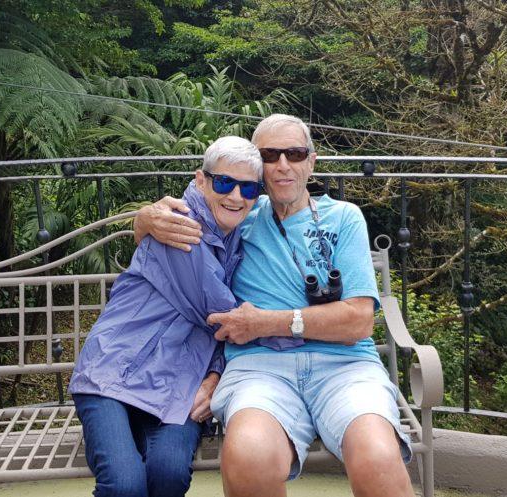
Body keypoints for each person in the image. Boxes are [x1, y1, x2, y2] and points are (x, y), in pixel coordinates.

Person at [135, 114, 414, 497]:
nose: (283, 164)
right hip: (260, 369)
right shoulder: (236, 218)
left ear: (311, 162)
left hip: (345, 367)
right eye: (270, 155)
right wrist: (142, 219)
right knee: (248, 456)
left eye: (295, 153)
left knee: (378, 457)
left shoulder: (344, 218)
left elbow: (358, 322)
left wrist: (266, 323)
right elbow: (176, 240)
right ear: (257, 166)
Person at [69, 136, 264, 497]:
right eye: (224, 182)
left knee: (169, 473)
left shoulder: (237, 231)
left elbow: (292, 202)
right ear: (201, 179)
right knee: (124, 486)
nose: (237, 196)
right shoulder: (178, 226)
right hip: (114, 372)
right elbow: (225, 318)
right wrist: (298, 325)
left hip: (180, 380)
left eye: (249, 187)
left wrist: (217, 374)